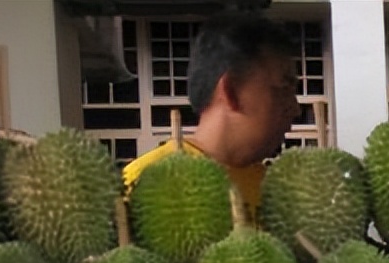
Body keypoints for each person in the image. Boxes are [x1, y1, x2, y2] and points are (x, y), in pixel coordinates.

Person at [122, 12, 300, 223]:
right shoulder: (138, 185)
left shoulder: (279, 194)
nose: (296, 108)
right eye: (284, 87)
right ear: (232, 92)